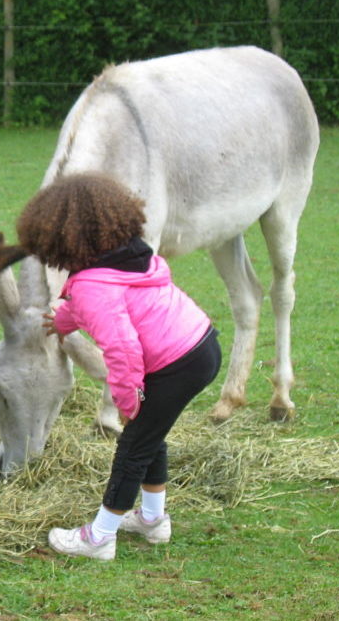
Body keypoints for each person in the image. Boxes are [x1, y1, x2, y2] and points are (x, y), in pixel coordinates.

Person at [15, 172, 222, 561]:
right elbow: (104, 300)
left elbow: (123, 349)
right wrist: (63, 321)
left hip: (176, 363)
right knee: (148, 435)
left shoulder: (95, 285)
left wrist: (129, 400)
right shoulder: (126, 258)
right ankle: (152, 519)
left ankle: (99, 537)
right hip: (199, 346)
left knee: (132, 445)